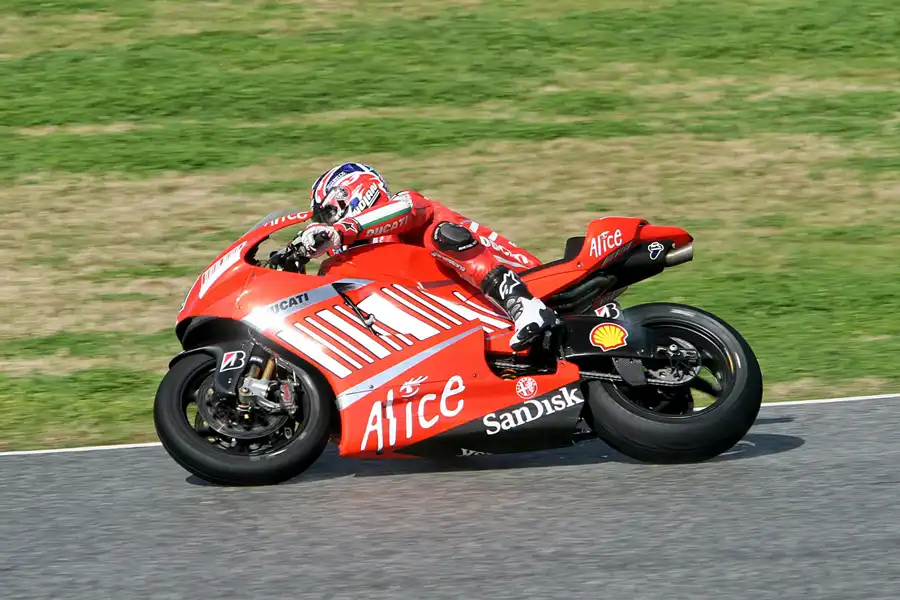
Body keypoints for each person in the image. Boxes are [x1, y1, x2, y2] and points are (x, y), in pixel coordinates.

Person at [294, 162, 560, 351]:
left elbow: (409, 209)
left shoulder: (404, 206)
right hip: (468, 314)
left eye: (325, 216)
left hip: (532, 279)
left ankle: (524, 306)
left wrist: (343, 229)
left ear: (351, 197)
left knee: (440, 233)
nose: (323, 227)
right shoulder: (366, 258)